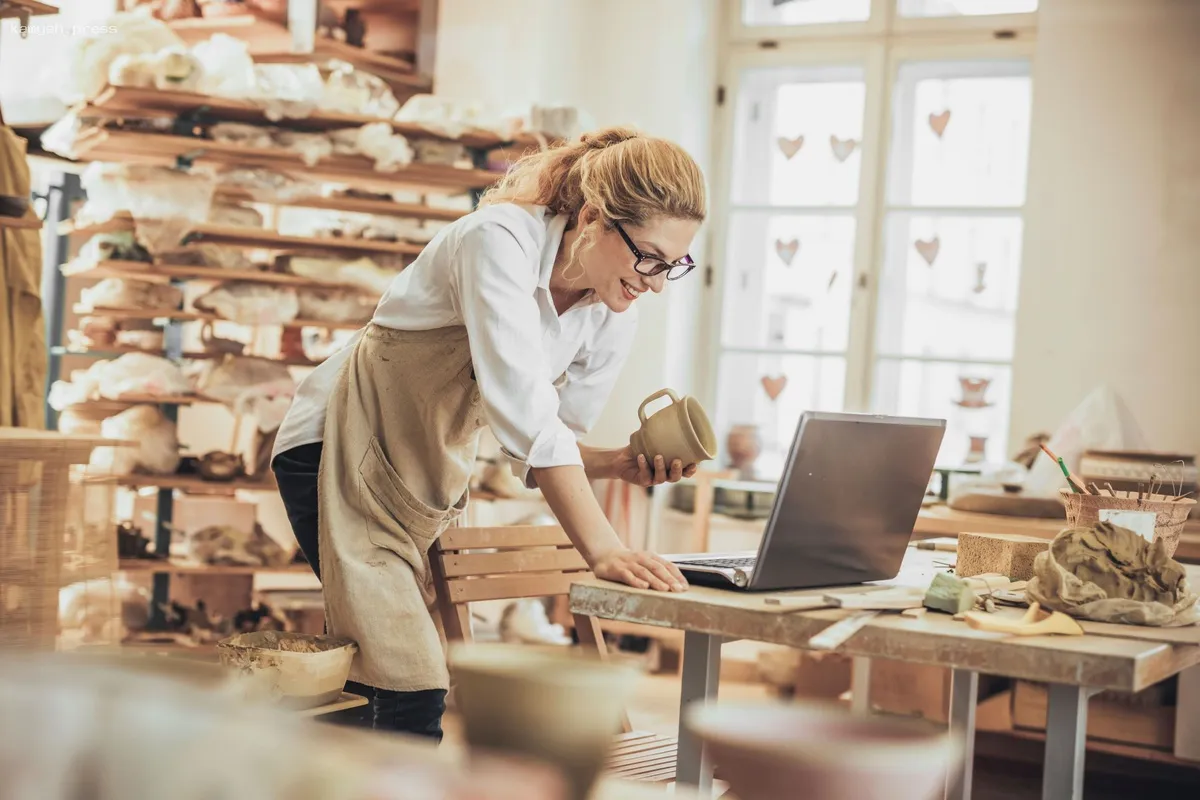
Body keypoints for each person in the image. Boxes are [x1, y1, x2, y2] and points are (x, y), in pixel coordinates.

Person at [271, 125, 707, 739]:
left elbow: (545, 445)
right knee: (405, 679)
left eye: (674, 265)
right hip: (332, 450)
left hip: (420, 482)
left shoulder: (611, 312)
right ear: (593, 218)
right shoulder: (497, 240)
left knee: (381, 675)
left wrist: (619, 463)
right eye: (650, 257)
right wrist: (605, 549)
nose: (656, 282)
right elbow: (530, 422)